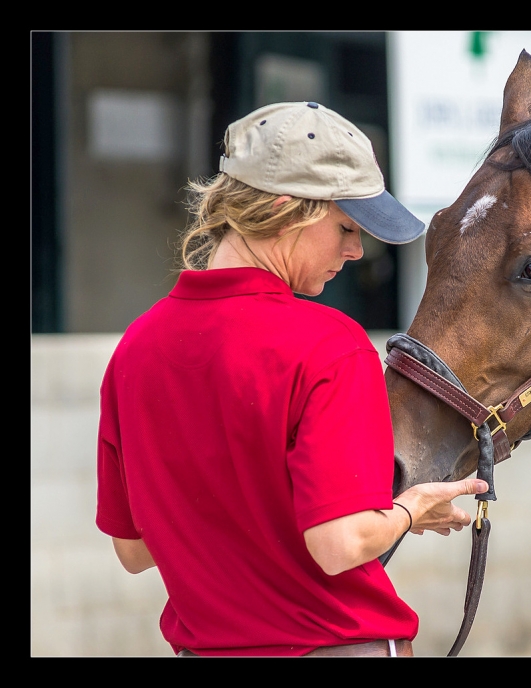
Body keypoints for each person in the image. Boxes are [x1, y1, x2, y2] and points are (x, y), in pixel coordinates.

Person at [95, 101, 488, 657]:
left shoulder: (135, 349)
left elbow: (134, 551)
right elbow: (338, 543)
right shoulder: (330, 344)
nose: (355, 252)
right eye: (346, 227)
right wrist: (408, 510)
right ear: (286, 210)